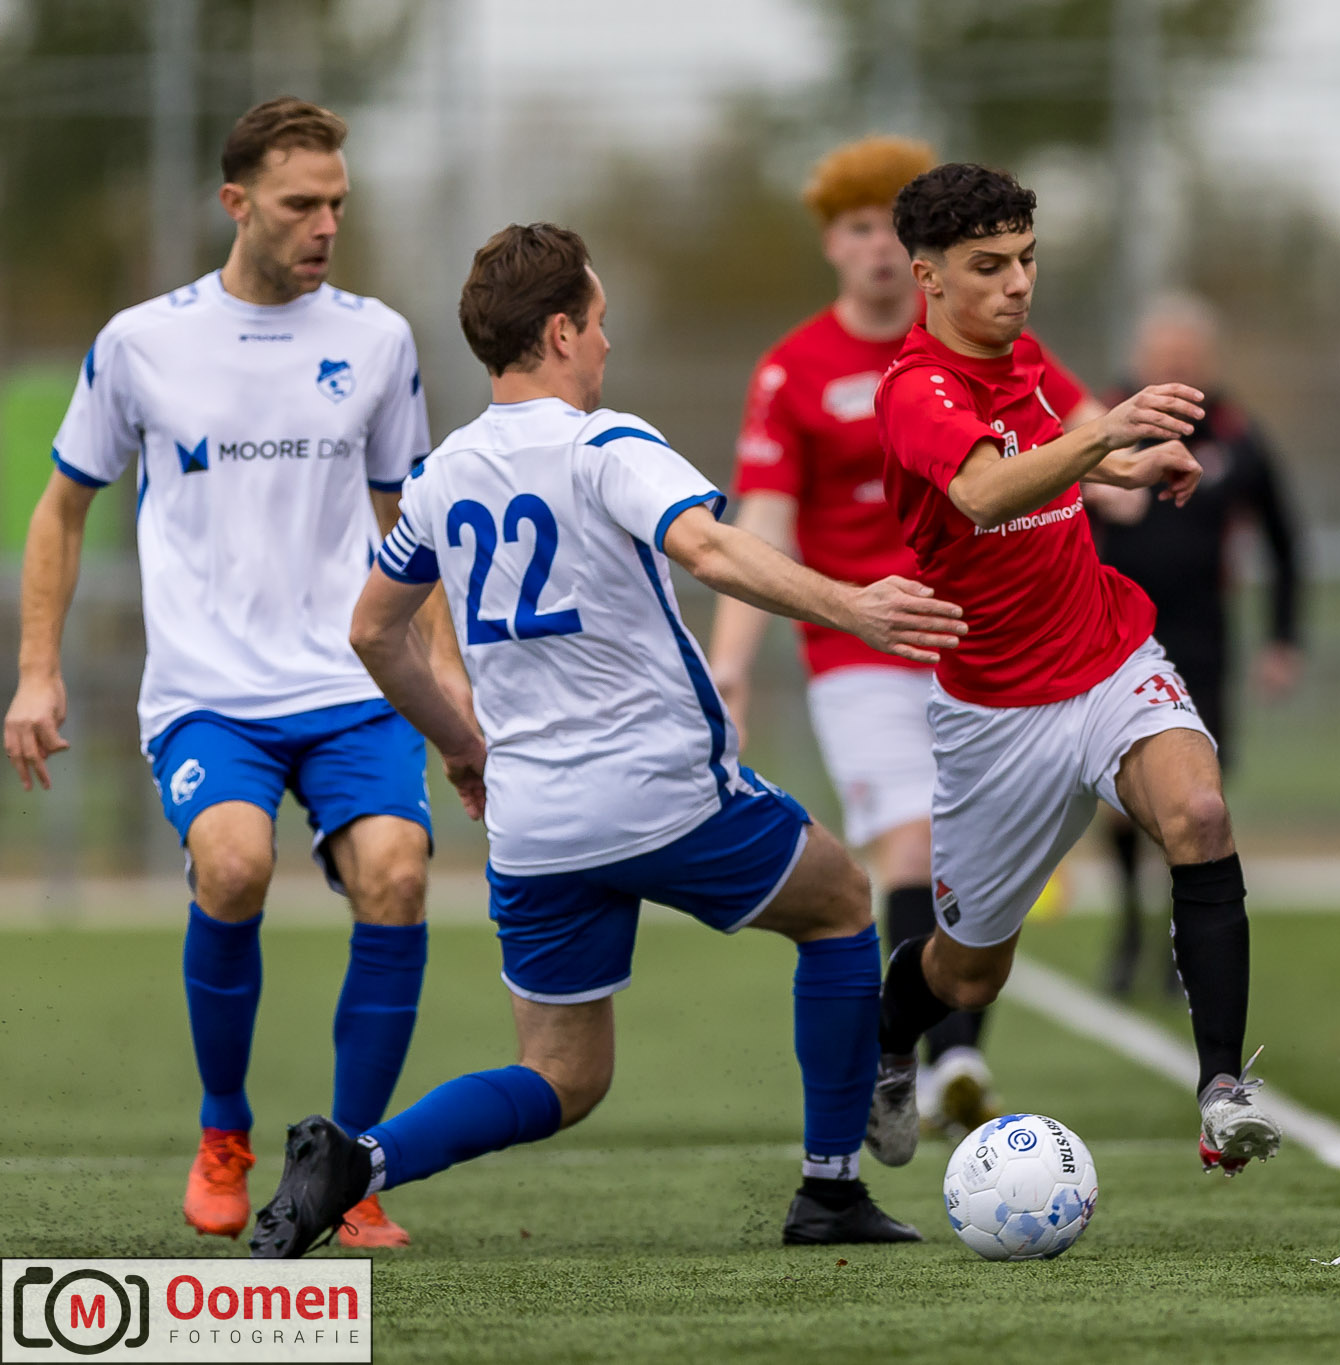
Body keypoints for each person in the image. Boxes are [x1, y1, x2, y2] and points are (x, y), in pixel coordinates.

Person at [248, 223, 966, 1257]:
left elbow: (372, 631)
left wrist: (461, 745)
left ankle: (359, 1162)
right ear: (558, 331)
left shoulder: (442, 475)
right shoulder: (606, 444)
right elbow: (707, 545)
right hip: (662, 792)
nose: (607, 342)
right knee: (842, 902)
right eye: (597, 321)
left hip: (534, 823)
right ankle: (830, 1189)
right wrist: (856, 606)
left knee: (563, 1075)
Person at [2, 98, 458, 1249]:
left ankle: (348, 1167)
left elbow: (410, 526)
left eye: (337, 203)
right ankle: (223, 1130)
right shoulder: (142, 342)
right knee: (235, 863)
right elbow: (61, 510)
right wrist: (38, 672)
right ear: (236, 203)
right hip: (209, 695)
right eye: (301, 203)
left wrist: (449, 692)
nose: (325, 224)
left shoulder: (379, 339)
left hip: (351, 688)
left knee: (398, 875)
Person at [863, 162, 1284, 1178]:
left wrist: (1130, 463)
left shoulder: (1027, 356)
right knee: (968, 973)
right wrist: (1107, 434)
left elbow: (1070, 442)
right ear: (927, 276)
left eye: (1027, 259)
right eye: (989, 265)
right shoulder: (915, 390)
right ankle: (885, 1044)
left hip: (1105, 656)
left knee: (1199, 814)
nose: (1017, 283)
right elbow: (985, 491)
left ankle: (1222, 1093)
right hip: (995, 714)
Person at [708, 136, 1001, 1134]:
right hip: (857, 654)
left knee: (980, 856)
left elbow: (1063, 423)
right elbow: (760, 526)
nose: (879, 247)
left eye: (895, 228)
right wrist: (730, 667)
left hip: (979, 643)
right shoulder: (792, 371)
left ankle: (925, 1050)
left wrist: (1124, 455)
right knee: (911, 841)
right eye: (859, 226)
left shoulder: (967, 345)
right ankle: (948, 1060)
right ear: (833, 241)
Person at [1086, 293, 1305, 997]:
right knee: (1123, 799)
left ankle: (1181, 944)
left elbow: (1285, 540)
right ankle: (1128, 928)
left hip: (1203, 639)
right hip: (1113, 638)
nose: (1176, 366)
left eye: (1189, 355)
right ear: (1140, 358)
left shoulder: (1238, 436)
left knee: (1198, 800)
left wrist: (1282, 640)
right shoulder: (1099, 423)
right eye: (1164, 354)